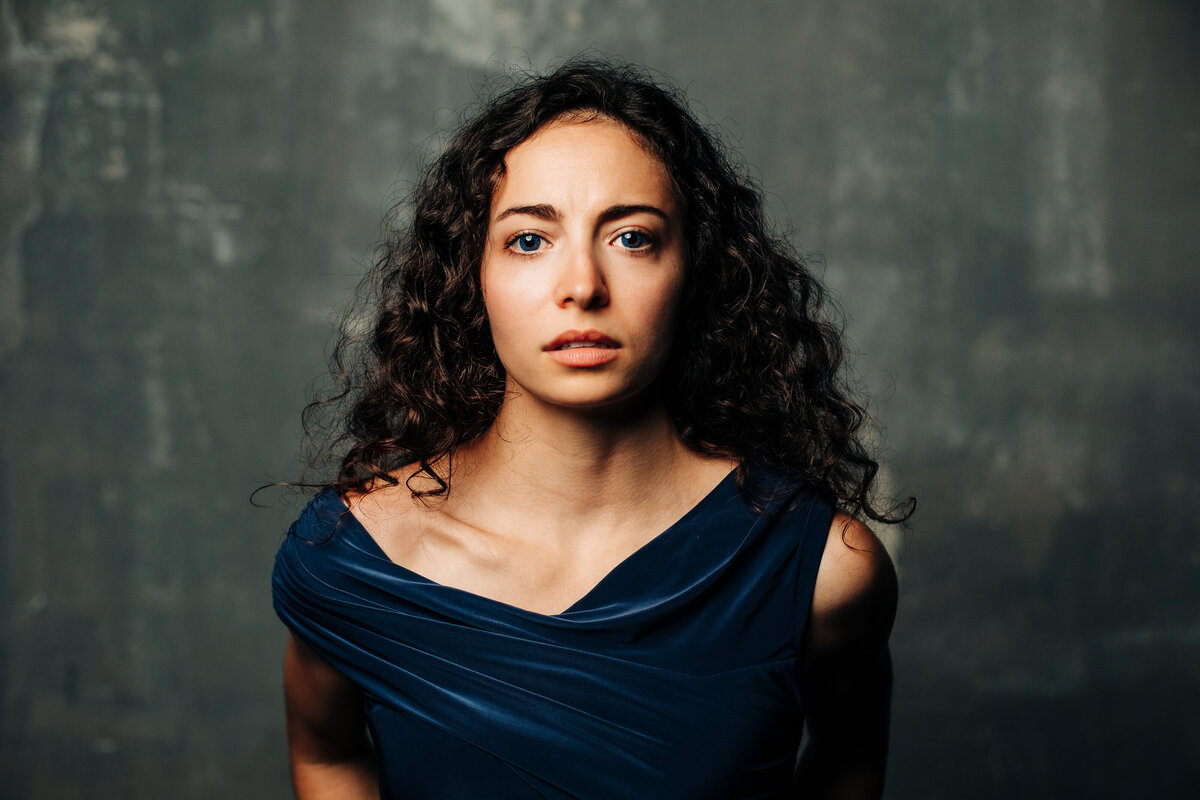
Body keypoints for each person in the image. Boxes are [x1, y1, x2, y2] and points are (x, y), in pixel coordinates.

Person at [272, 59, 913, 799]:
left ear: (695, 268)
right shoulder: (355, 560)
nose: (582, 285)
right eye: (528, 241)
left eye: (632, 238)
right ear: (469, 275)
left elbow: (848, 758)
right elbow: (325, 756)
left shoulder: (820, 569)